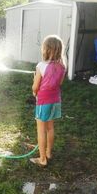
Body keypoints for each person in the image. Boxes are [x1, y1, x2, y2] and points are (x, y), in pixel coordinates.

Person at [30, 35, 66, 167]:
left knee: (41, 130)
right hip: (55, 100)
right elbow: (59, 83)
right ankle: (49, 153)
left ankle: (42, 159)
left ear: (47, 49)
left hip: (43, 101)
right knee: (50, 128)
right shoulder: (62, 67)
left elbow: (35, 87)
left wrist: (34, 82)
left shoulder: (41, 66)